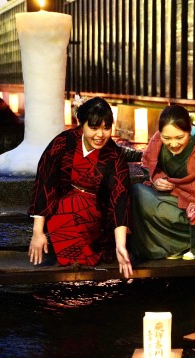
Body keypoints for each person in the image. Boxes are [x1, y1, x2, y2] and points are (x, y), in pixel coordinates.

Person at [28, 97, 133, 279]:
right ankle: (76, 278)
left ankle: (78, 276)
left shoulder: (115, 156)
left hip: (95, 211)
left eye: (106, 128)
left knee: (74, 218)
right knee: (63, 217)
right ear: (81, 124)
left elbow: (120, 197)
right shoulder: (63, 143)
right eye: (93, 128)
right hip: (62, 202)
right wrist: (37, 232)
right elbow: (45, 181)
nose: (101, 135)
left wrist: (120, 245)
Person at [131, 105, 195, 281]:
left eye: (179, 137)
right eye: (167, 137)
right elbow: (149, 164)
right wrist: (157, 179)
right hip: (175, 200)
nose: (173, 143)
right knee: (137, 192)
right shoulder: (159, 141)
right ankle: (171, 248)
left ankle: (193, 245)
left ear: (189, 130)